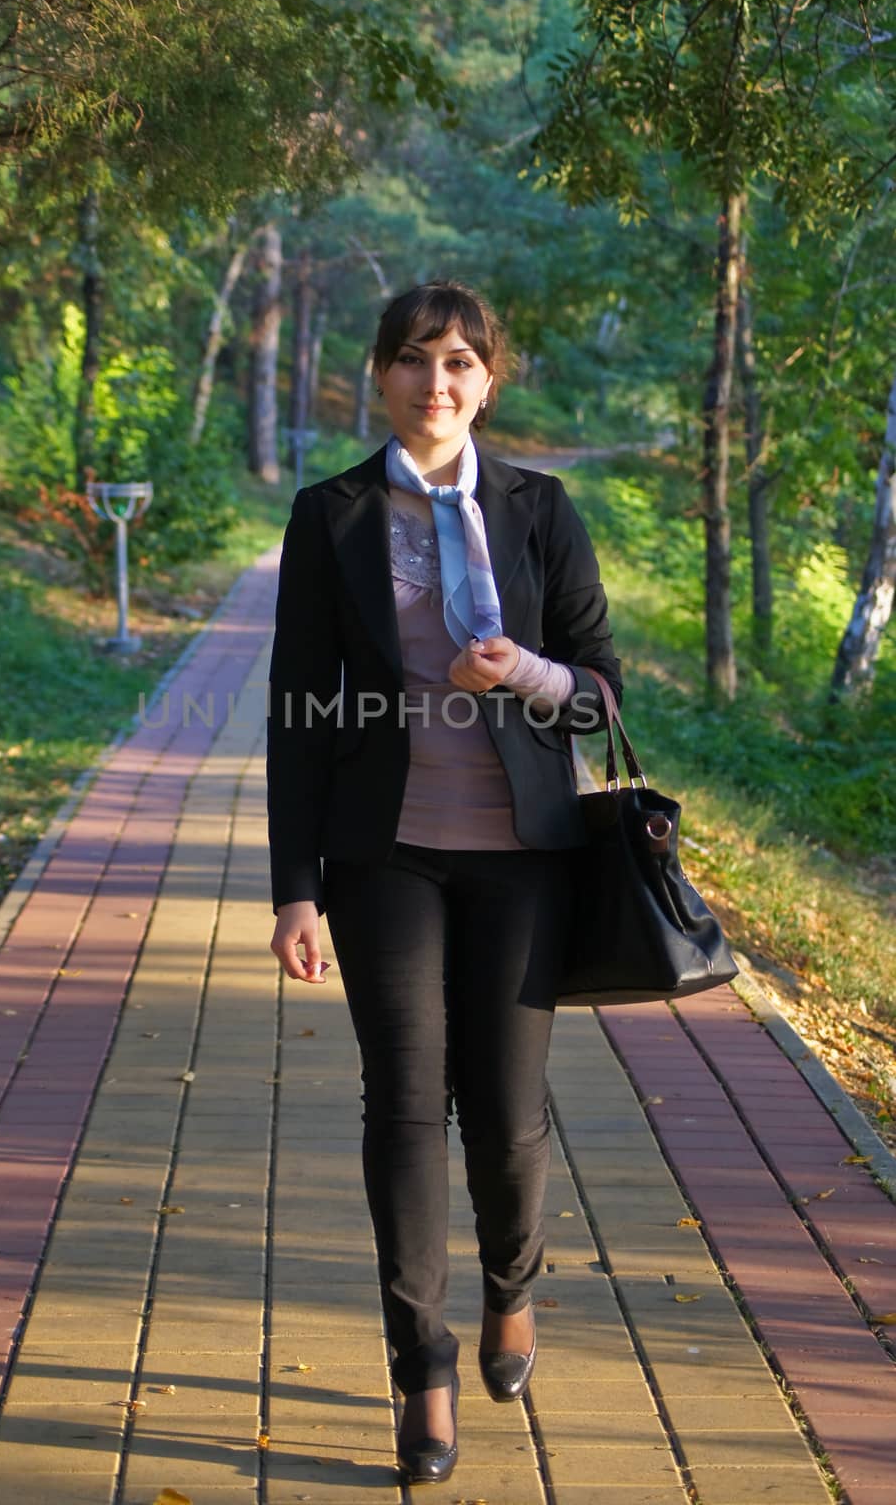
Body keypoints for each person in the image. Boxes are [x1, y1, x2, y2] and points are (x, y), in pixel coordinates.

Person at [266, 279, 622, 1484]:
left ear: (489, 379)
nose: (437, 383)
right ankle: (420, 1365)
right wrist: (293, 886)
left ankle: (513, 1282)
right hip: (385, 856)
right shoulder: (333, 515)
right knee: (406, 1112)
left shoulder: (539, 507)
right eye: (415, 360)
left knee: (510, 1121)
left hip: (524, 856)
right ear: (379, 375)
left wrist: (521, 667)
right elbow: (296, 719)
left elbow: (601, 687)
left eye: (460, 361)